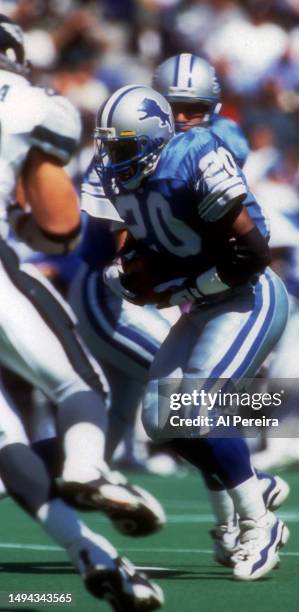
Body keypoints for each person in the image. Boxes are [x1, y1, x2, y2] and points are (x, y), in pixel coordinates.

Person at [73, 53, 290, 569]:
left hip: (248, 293)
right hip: (204, 299)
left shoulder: (193, 153)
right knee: (162, 421)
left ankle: (258, 525)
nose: (112, 157)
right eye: (110, 145)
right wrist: (131, 271)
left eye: (123, 145)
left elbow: (255, 254)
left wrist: (180, 289)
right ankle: (251, 492)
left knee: (197, 403)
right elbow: (134, 250)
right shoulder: (122, 176)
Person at [0, 14, 163, 609]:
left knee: (6, 441)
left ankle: (92, 553)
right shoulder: (29, 102)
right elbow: (61, 225)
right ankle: (90, 468)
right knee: (80, 384)